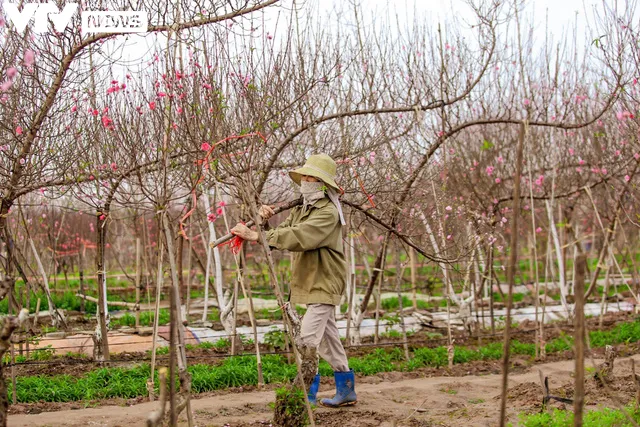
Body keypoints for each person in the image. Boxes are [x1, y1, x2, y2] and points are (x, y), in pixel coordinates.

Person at [230, 153, 357, 408]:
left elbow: (301, 236)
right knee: (329, 339)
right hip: (311, 282)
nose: (306, 181)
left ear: (324, 184)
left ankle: (304, 395)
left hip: (325, 281)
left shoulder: (329, 212)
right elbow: (282, 234)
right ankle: (347, 390)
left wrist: (256, 235)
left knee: (306, 341)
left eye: (312, 177)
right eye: (305, 176)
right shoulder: (302, 209)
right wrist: (263, 224)